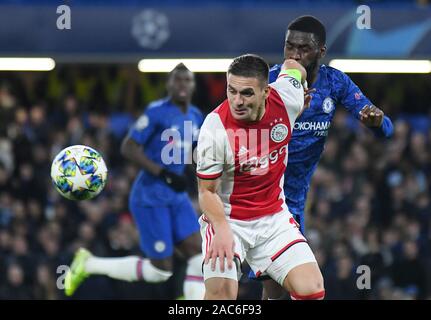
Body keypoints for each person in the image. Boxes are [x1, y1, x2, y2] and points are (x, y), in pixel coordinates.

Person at [259, 15, 394, 299]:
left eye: (303, 49)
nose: (294, 55)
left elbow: (385, 127)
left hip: (293, 199)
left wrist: (376, 123)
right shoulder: (268, 82)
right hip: (261, 193)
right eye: (289, 47)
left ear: (321, 52)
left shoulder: (335, 83)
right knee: (289, 284)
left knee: (280, 288)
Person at [64, 63, 205, 300]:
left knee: (199, 255)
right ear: (169, 85)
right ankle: (89, 264)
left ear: (192, 85)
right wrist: (162, 173)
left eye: (187, 80)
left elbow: (191, 151)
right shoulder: (156, 112)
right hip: (151, 196)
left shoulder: (195, 115)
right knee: (161, 271)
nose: (182, 85)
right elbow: (128, 147)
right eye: (177, 80)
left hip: (176, 196)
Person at [196, 54, 325, 300]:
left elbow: (293, 66)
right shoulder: (215, 128)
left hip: (273, 219)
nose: (237, 101)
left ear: (266, 91)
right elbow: (206, 191)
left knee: (312, 289)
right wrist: (221, 229)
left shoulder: (288, 98)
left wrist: (303, 88)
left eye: (246, 93)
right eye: (231, 91)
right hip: (229, 221)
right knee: (221, 295)